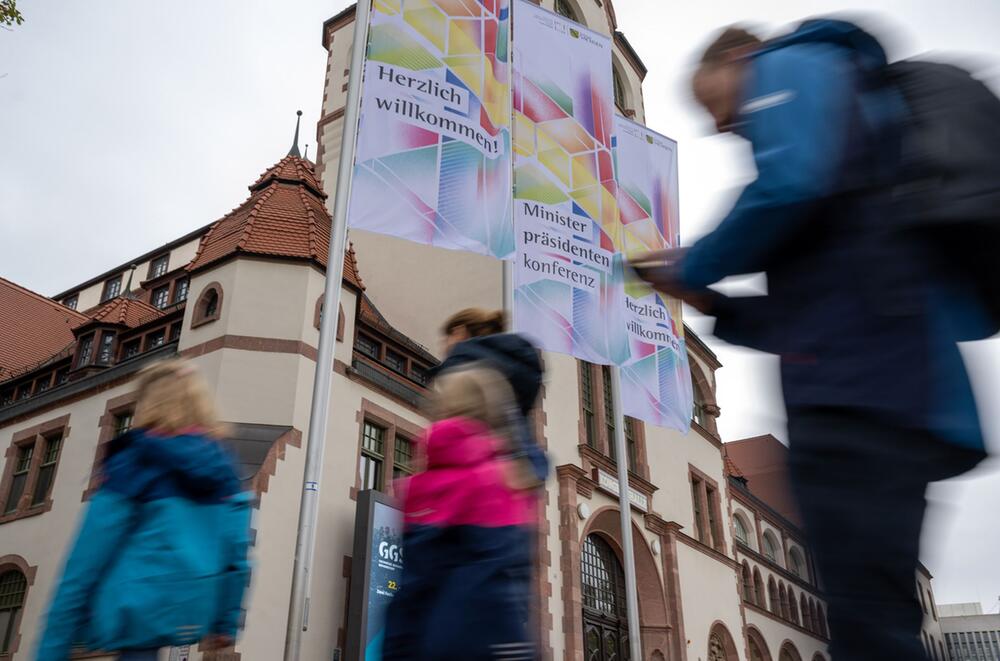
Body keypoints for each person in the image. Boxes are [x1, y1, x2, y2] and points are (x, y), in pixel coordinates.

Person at [632, 21, 987, 660]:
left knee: (870, 622)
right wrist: (710, 302)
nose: (719, 126)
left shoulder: (794, 66)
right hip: (880, 389)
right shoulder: (843, 143)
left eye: (713, 103)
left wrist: (696, 263)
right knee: (872, 616)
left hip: (866, 395)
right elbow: (802, 312)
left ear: (738, 60)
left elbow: (788, 185)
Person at [36, 360, 252, 661]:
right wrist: (226, 623)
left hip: (136, 608)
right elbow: (237, 557)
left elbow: (84, 565)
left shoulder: (135, 460)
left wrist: (51, 649)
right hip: (192, 605)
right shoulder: (225, 467)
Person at [382, 365, 537, 661]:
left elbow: (411, 587)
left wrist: (396, 650)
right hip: (485, 643)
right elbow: (504, 586)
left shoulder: (416, 487)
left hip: (428, 644)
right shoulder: (502, 480)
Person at [435, 308, 548, 488]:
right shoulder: (511, 367)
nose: (443, 346)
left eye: (445, 339)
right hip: (518, 470)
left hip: (478, 473)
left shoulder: (461, 362)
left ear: (459, 332)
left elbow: (456, 426)